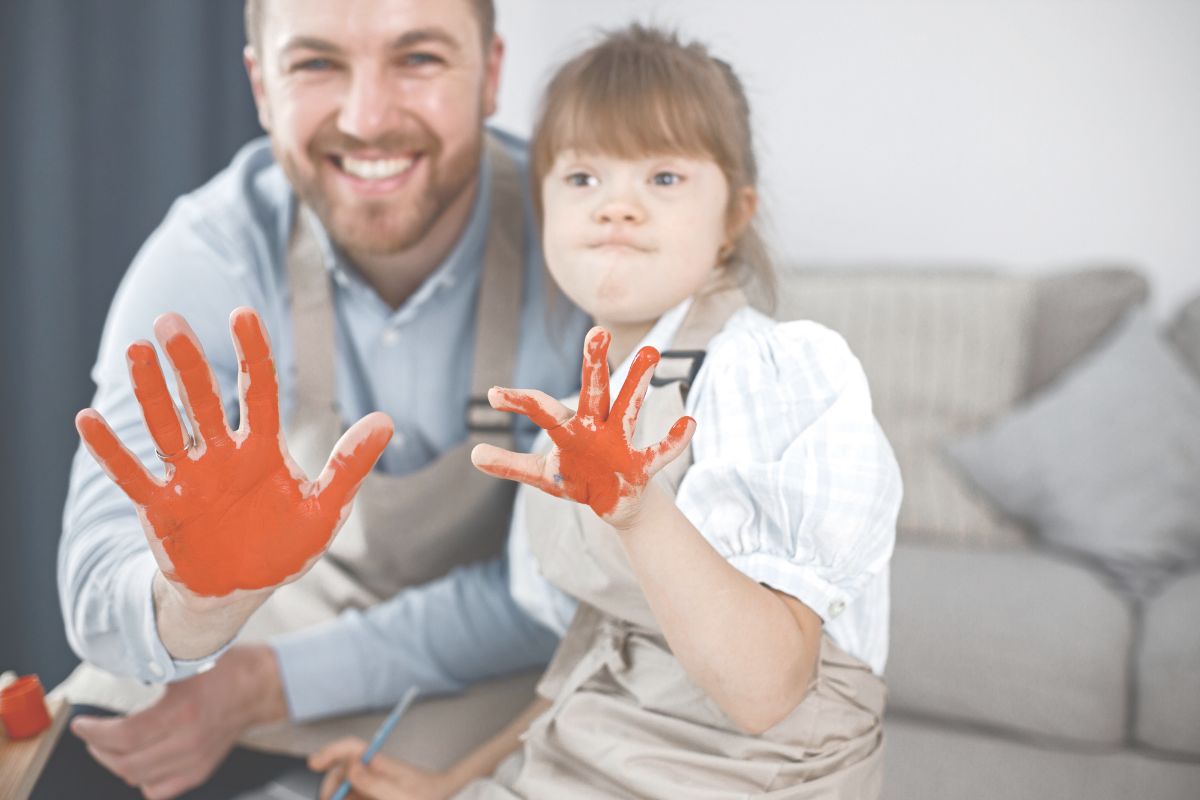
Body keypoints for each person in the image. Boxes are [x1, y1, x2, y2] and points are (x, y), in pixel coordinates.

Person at [310, 24, 903, 800]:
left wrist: (639, 512)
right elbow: (598, 654)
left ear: (734, 217)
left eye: (663, 178)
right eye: (583, 178)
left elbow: (767, 691)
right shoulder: (576, 408)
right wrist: (452, 783)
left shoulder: (775, 372)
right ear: (545, 209)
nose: (617, 206)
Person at [51, 0, 588, 798]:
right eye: (315, 63)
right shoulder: (209, 254)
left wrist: (267, 685)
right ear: (260, 86)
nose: (368, 118)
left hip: (489, 668)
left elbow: (558, 588)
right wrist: (195, 604)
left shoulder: (584, 242)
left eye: (419, 59)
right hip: (238, 636)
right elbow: (99, 589)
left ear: (492, 75)